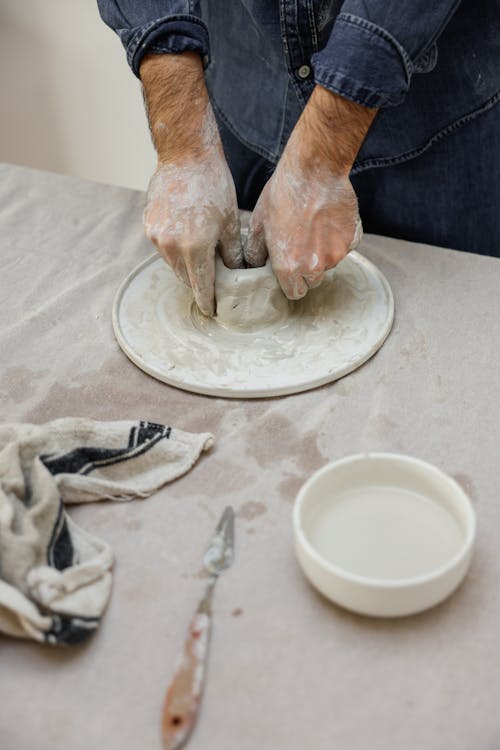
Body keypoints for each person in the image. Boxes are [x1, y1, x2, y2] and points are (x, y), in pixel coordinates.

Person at [97, 1, 500, 317]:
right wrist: (185, 146)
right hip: (245, 82)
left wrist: (320, 161)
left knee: (453, 331)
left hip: (439, 114)